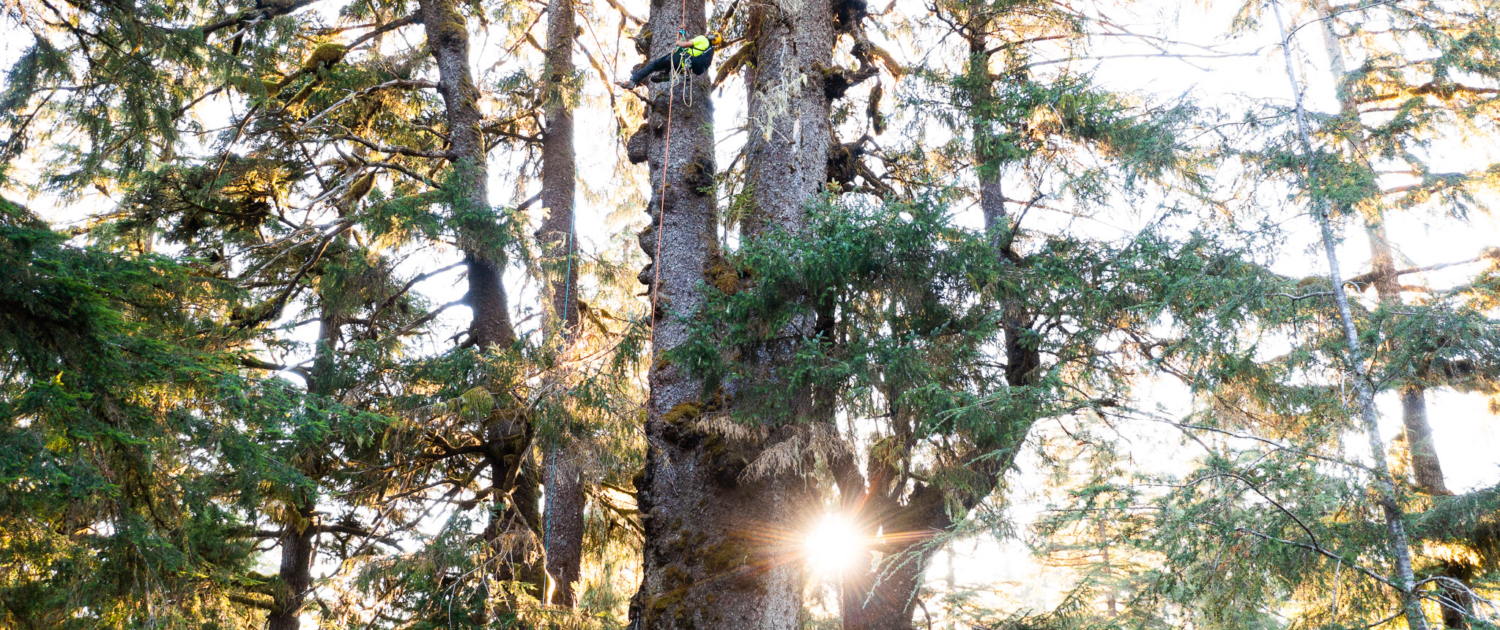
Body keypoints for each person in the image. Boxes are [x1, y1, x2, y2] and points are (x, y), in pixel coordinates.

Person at [617, 32, 724, 90]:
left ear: (710, 36)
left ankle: (633, 81)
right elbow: (692, 52)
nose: (707, 33)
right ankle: (665, 73)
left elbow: (683, 45)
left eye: (710, 33)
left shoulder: (703, 39)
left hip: (680, 59)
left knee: (654, 65)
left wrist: (678, 41)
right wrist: (681, 36)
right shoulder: (709, 50)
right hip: (685, 66)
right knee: (670, 63)